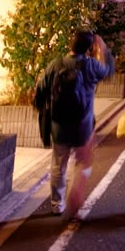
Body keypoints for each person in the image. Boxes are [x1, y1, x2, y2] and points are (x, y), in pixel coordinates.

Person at [34, 30, 114, 218]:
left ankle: (56, 204)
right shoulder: (90, 65)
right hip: (82, 126)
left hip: (59, 125)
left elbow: (40, 89)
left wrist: (43, 110)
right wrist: (103, 50)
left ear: (71, 43)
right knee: (82, 162)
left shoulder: (56, 64)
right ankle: (75, 196)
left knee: (58, 165)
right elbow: (108, 71)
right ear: (88, 48)